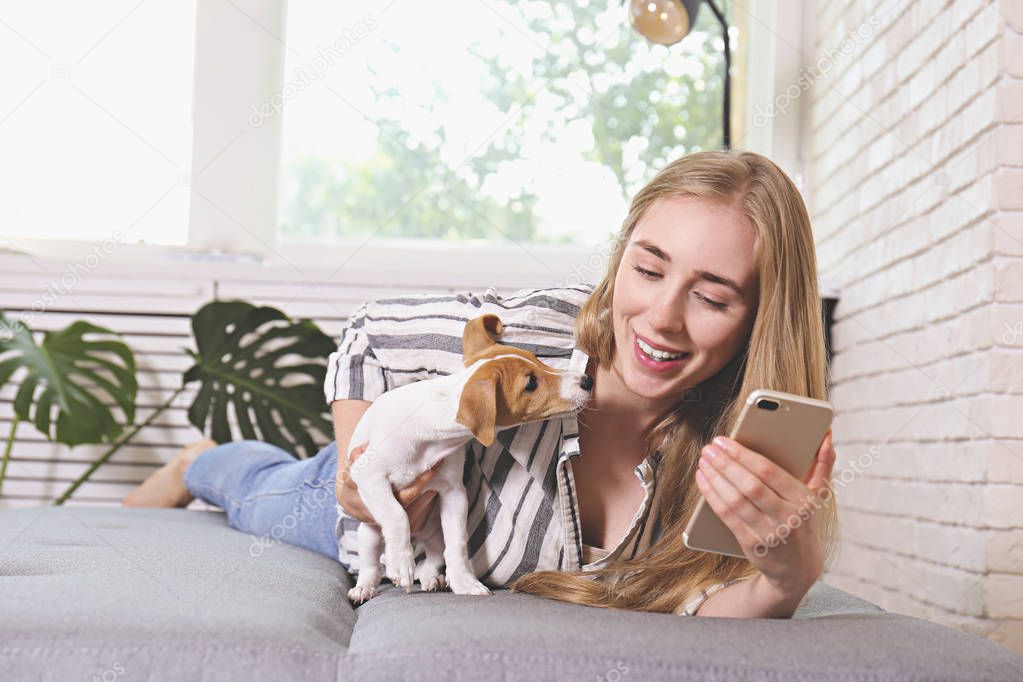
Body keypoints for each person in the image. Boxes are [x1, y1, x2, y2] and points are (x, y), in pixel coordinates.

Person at [124, 150, 837, 618]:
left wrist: (785, 580)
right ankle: (198, 458)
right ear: (620, 257)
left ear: (759, 319)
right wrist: (360, 471)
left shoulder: (736, 449)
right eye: (647, 270)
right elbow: (369, 335)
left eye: (711, 298)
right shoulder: (530, 340)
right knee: (257, 489)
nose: (660, 318)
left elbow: (698, 604)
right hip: (365, 507)